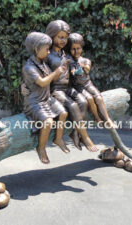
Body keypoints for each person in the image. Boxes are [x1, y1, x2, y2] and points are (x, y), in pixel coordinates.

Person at [45, 20, 98, 152]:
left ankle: (75, 132)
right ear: (52, 37)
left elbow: (77, 70)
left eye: (65, 37)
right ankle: (85, 137)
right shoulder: (47, 55)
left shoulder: (66, 54)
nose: (63, 40)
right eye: (60, 37)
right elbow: (38, 70)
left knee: (83, 101)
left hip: (67, 88)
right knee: (73, 105)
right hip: (55, 90)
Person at [23, 32, 70, 164]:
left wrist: (61, 70)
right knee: (48, 122)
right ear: (37, 49)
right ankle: (41, 148)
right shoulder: (29, 67)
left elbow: (51, 79)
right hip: (35, 102)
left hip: (47, 99)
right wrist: (55, 73)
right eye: (47, 49)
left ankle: (58, 138)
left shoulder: (43, 63)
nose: (49, 52)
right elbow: (42, 82)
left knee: (63, 112)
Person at [67, 33, 117, 128]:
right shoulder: (70, 62)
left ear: (82, 48)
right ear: (69, 49)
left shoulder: (85, 60)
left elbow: (87, 69)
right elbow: (73, 72)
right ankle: (97, 118)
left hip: (88, 84)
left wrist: (82, 66)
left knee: (98, 97)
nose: (76, 51)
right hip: (78, 87)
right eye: (73, 49)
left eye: (78, 48)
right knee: (89, 98)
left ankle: (107, 119)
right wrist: (75, 70)